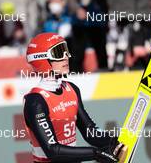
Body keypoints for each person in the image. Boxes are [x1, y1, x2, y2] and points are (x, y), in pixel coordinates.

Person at [23, 32, 127, 163]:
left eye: (66, 51)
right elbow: (53, 150)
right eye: (59, 52)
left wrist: (114, 141)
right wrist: (95, 153)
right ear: (42, 59)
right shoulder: (35, 101)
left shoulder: (72, 89)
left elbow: (89, 132)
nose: (66, 57)